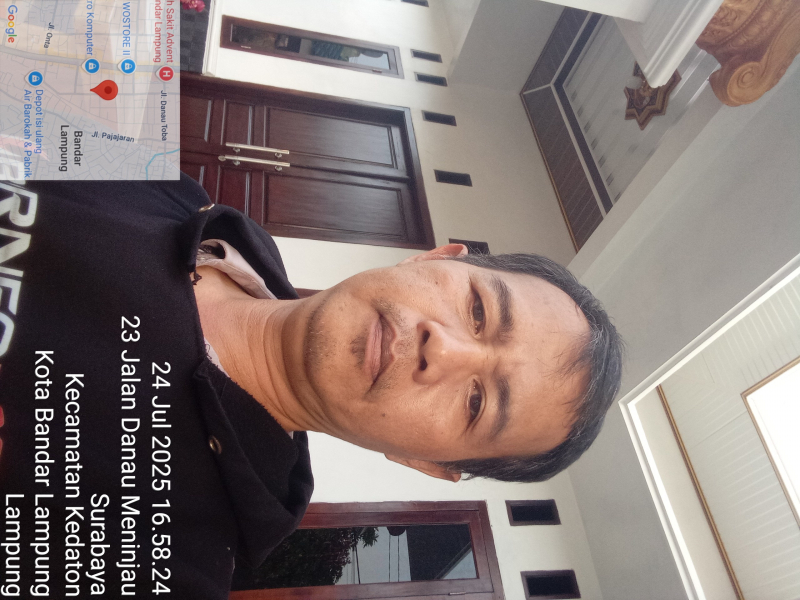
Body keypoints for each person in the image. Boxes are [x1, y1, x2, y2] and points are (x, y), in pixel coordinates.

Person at [0, 175, 621, 599]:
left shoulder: (165, 562)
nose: (444, 349)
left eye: (478, 402)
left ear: (426, 463)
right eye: (479, 309)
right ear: (432, 259)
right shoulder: (169, 193)